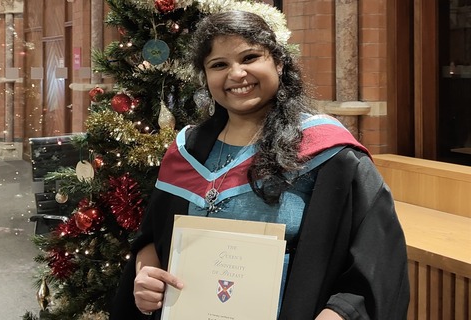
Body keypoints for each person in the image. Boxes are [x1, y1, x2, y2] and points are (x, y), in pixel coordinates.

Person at [110, 10, 409, 320]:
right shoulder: (187, 151)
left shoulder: (330, 154)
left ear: (278, 62)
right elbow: (151, 238)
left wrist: (338, 314)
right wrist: (146, 277)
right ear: (205, 76)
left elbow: (378, 258)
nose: (237, 74)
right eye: (219, 65)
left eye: (250, 57)